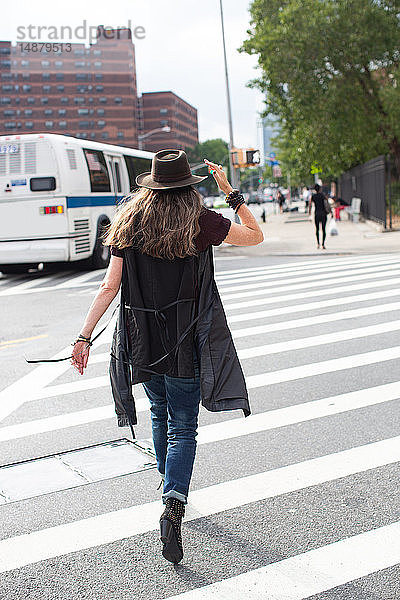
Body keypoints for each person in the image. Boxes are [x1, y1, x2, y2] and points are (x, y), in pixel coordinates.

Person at [70, 149, 263, 564]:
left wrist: (83, 336)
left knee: (159, 413)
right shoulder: (202, 222)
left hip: (143, 343)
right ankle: (173, 505)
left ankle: (167, 484)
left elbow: (109, 288)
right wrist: (229, 190)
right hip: (186, 342)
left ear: (152, 186)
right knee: (183, 426)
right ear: (188, 188)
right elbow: (255, 234)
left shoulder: (129, 223)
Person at [308, 183, 331, 249]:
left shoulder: (313, 196)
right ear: (320, 189)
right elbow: (327, 203)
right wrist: (330, 212)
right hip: (323, 214)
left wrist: (309, 214)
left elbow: (310, 205)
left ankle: (318, 243)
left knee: (317, 229)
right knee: (324, 229)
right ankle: (323, 244)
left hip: (317, 214)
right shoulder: (323, 195)